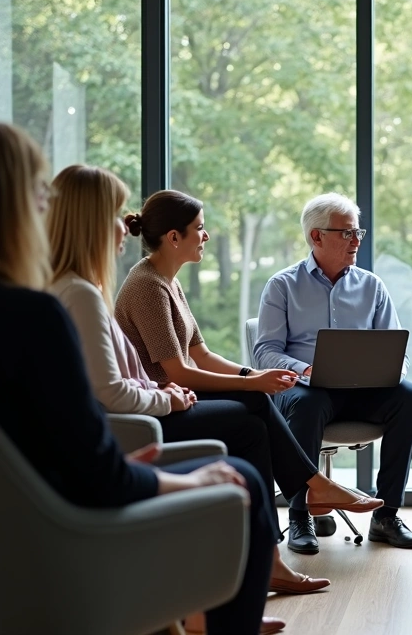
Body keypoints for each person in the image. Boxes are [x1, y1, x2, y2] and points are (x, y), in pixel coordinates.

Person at [0, 121, 281, 635]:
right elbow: (98, 478)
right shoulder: (35, 318)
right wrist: (189, 479)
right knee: (240, 480)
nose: (46, 208)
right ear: (18, 209)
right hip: (45, 554)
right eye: (40, 194)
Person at [45, 166, 383, 611]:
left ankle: (280, 538)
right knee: (251, 419)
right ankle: (299, 506)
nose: (205, 237)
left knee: (254, 407)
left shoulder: (168, 282)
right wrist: (250, 383)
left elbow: (200, 356)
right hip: (157, 407)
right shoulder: (146, 286)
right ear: (173, 238)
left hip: (163, 398)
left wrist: (252, 377)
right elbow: (177, 373)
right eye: (199, 230)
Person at [254, 192, 412, 553]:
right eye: (347, 233)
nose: (357, 240)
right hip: (304, 389)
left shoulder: (372, 286)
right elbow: (265, 351)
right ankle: (300, 515)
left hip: (363, 389)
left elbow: (397, 349)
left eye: (358, 232)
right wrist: (305, 369)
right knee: (309, 402)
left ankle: (386, 515)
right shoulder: (282, 285)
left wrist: (392, 370)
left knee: (410, 397)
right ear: (316, 236)